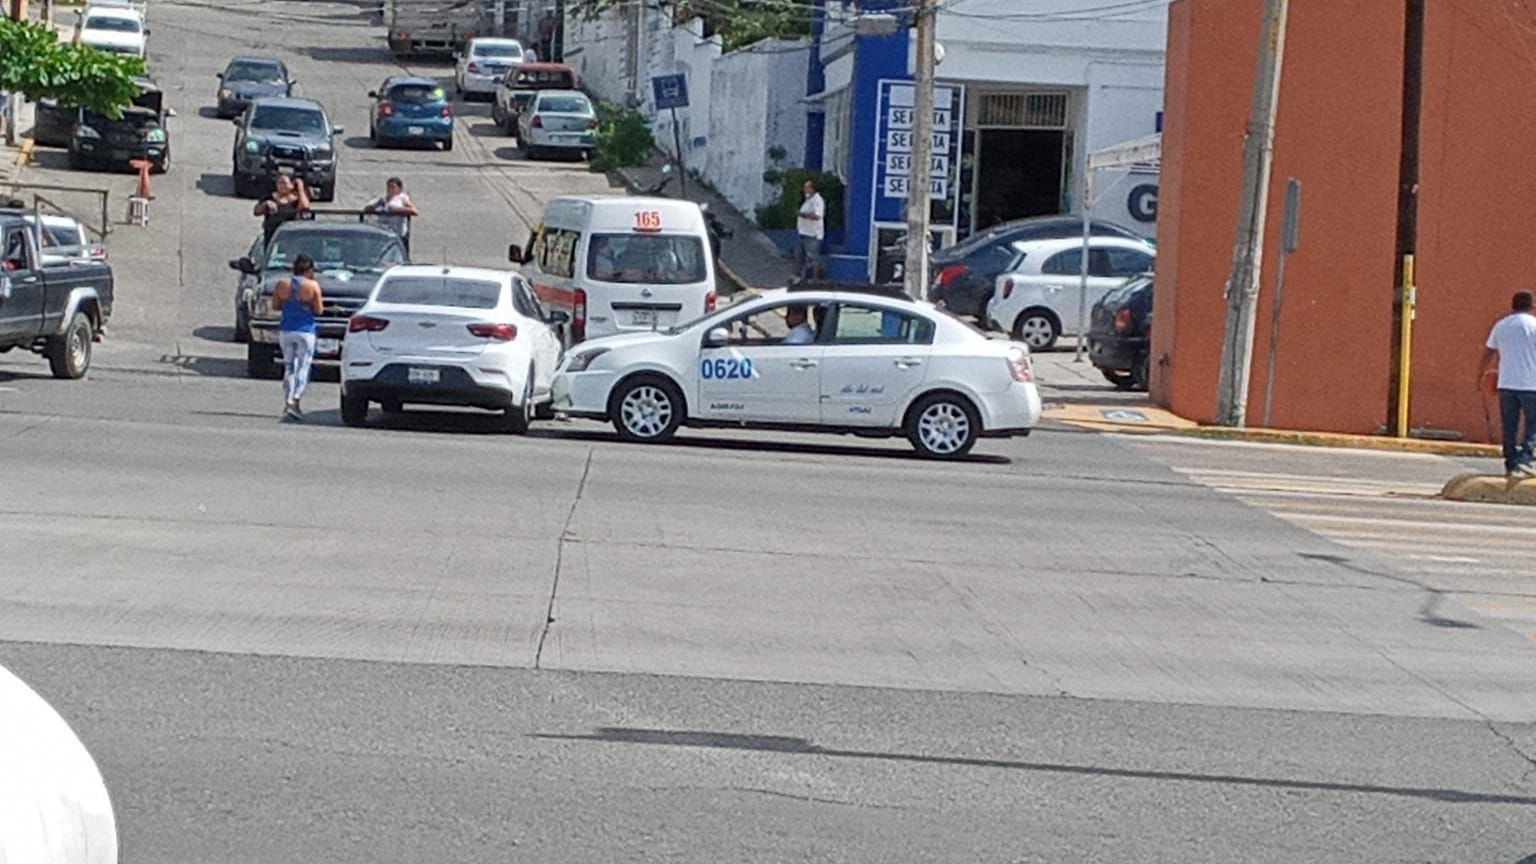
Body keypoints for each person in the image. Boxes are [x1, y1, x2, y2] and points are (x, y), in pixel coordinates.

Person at [1480, 289, 1536, 477]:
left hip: (1507, 384)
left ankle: (1511, 463)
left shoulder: (1501, 325)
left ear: (1513, 305)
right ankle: (1525, 459)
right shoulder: (1534, 326)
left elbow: (1488, 352)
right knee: (1533, 424)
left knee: (1509, 426)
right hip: (1531, 385)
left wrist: (1479, 375)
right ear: (1531, 305)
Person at [271, 253, 323, 421]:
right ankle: (295, 400)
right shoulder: (312, 285)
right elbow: (318, 310)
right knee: (303, 366)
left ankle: (287, 401)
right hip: (305, 330)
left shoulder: (281, 284)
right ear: (309, 270)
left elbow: (275, 306)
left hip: (286, 329)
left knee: (289, 367)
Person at [364, 177, 419, 256]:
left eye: (393, 187)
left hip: (397, 234)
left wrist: (397, 209)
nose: (390, 189)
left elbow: (414, 211)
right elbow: (367, 209)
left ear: (399, 189)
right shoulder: (383, 200)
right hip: (384, 233)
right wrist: (373, 207)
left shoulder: (402, 198)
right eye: (388, 187)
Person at [254, 173, 310, 246]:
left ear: (291, 185)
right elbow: (256, 211)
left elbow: (305, 207)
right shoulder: (270, 197)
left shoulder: (296, 199)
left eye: (285, 183)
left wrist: (300, 188)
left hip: (291, 238)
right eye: (280, 183)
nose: (282, 186)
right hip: (272, 236)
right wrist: (265, 205)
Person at [794, 179, 825, 281]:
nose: (804, 189)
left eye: (807, 187)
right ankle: (797, 276)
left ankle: (814, 278)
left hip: (812, 234)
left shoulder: (817, 200)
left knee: (813, 256)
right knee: (799, 256)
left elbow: (817, 215)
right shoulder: (808, 199)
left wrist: (802, 215)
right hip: (803, 232)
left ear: (812, 189)